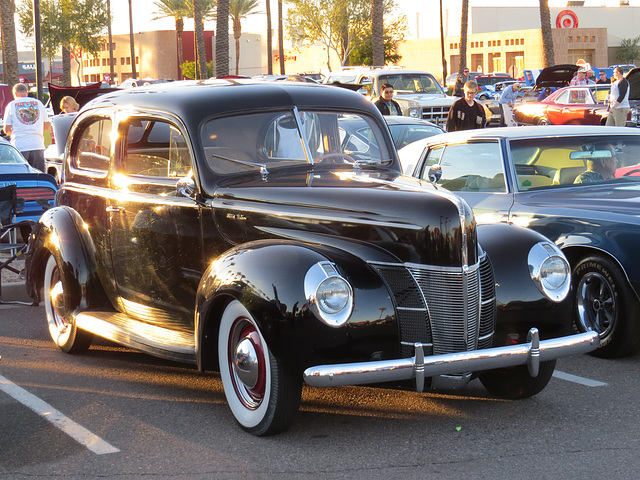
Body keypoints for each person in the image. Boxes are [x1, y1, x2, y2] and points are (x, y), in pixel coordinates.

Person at [2, 83, 50, 172]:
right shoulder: (39, 103)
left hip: (20, 145)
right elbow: (47, 126)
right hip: (37, 145)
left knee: (21, 175)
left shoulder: (11, 105)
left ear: (15, 94)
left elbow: (7, 129)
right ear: (26, 93)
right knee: (38, 176)